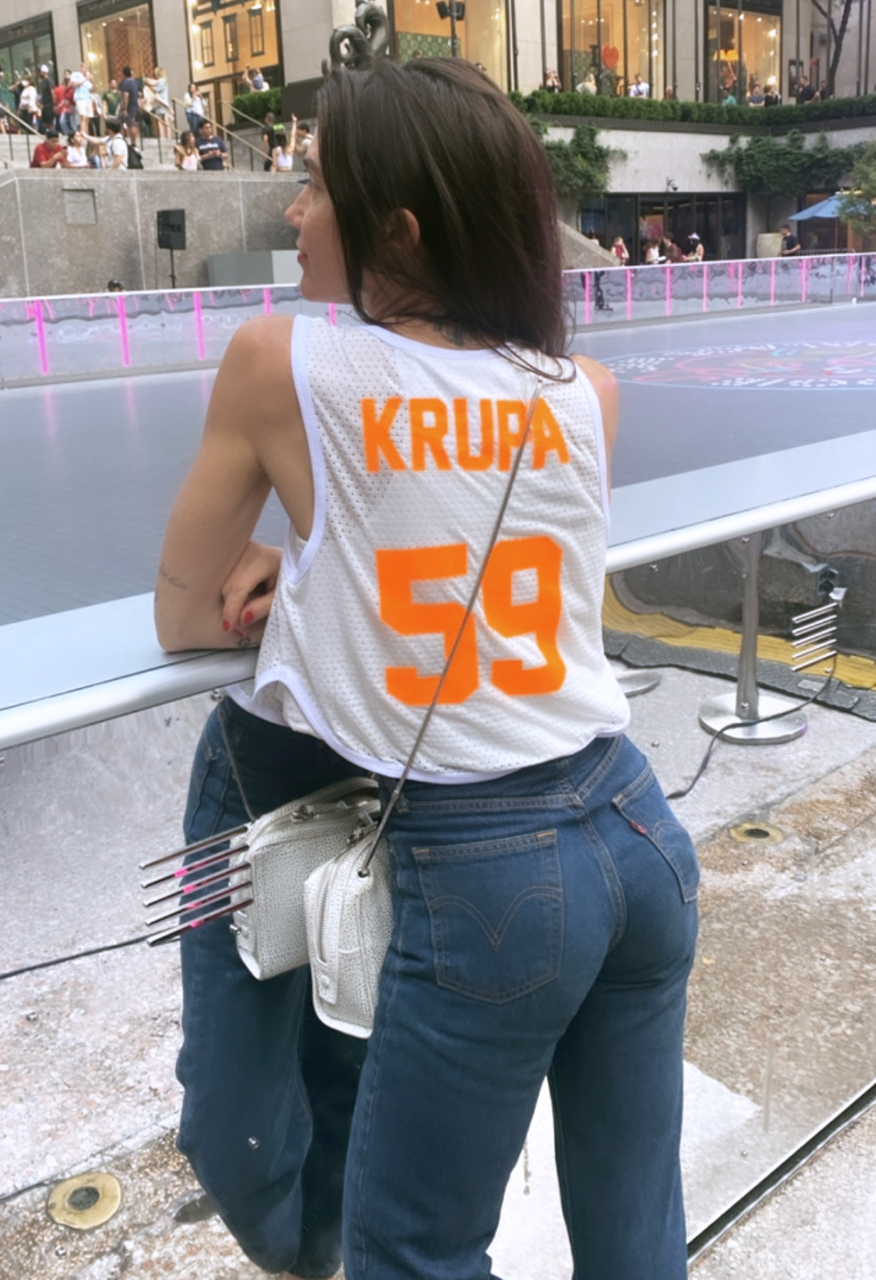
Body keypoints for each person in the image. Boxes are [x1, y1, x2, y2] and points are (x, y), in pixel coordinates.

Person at [155, 56, 697, 1280]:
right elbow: (453, 549)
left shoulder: (280, 359)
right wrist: (319, 572)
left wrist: (279, 570)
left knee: (413, 1249)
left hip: (497, 872)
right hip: (634, 823)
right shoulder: (581, 391)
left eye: (314, 189)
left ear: (395, 227)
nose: (294, 215)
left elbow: (185, 612)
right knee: (635, 1236)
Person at [118, 65, 141, 148]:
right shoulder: (135, 83)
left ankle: (127, 141)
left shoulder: (125, 83)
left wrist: (124, 108)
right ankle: (133, 141)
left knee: (127, 124)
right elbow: (139, 94)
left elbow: (125, 96)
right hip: (135, 106)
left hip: (129, 107)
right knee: (133, 124)